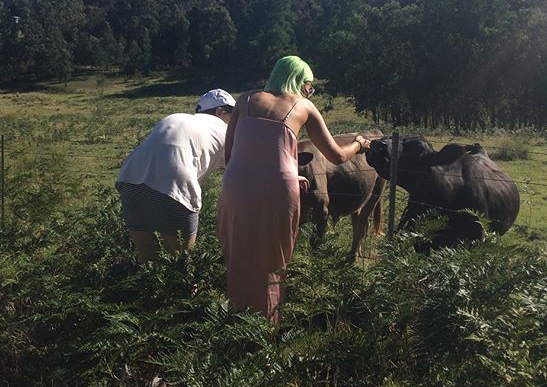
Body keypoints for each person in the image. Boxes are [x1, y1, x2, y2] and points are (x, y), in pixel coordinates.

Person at [217, 56, 371, 322]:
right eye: (309, 85)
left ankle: (235, 317)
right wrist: (358, 143)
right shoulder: (304, 106)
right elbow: (336, 156)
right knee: (272, 259)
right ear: (300, 82)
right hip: (278, 189)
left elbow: (232, 154)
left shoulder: (245, 100)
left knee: (238, 250)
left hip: (235, 185)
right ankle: (267, 324)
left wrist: (280, 174)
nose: (310, 91)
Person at [116, 88, 236, 262]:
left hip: (129, 181)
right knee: (181, 265)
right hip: (174, 188)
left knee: (148, 260)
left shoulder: (176, 117)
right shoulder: (225, 130)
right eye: (233, 114)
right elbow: (240, 172)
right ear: (220, 112)